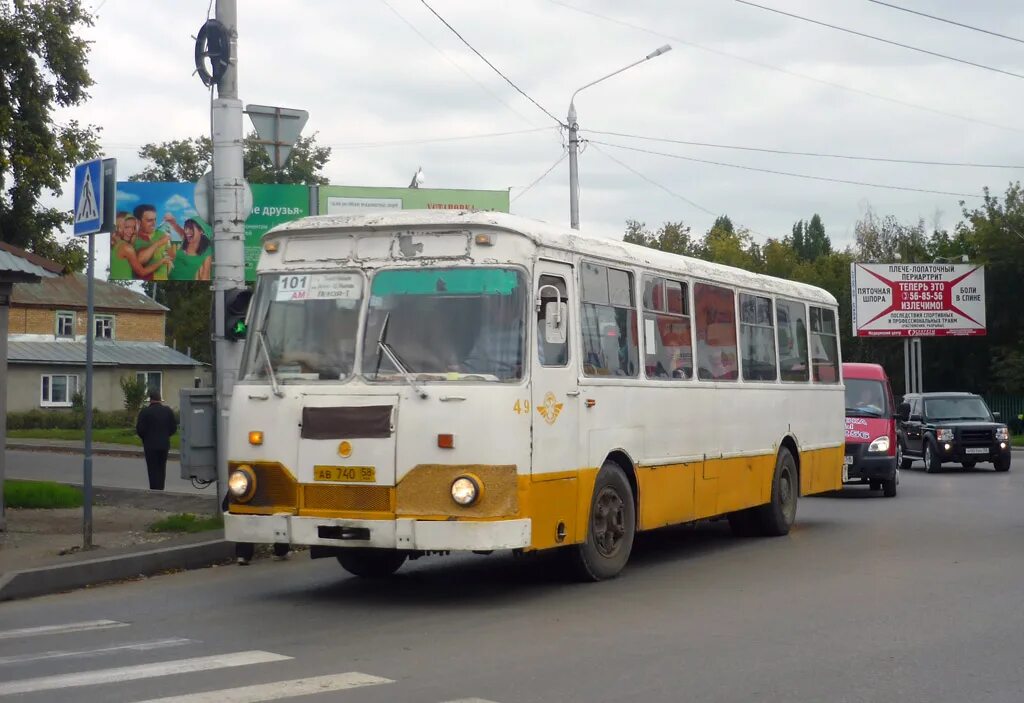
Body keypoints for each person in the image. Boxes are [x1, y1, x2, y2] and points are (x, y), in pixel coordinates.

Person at [135, 388, 178, 490]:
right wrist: (166, 435)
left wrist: (145, 438)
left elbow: (140, 429)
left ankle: (154, 490)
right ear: (160, 399)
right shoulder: (167, 411)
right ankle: (161, 489)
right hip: (164, 444)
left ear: (150, 399)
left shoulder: (145, 412)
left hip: (150, 445)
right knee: (161, 468)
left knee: (152, 469)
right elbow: (173, 428)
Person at [110, 214, 170, 280]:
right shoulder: (126, 248)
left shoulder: (114, 243)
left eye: (133, 228)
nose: (131, 231)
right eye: (127, 227)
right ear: (118, 227)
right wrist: (162, 261)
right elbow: (142, 272)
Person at [133, 204, 170, 281]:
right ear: (138, 222)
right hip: (144, 281)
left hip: (163, 280)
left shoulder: (161, 234)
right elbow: (140, 260)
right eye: (149, 220)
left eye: (155, 219)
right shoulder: (134, 238)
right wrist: (158, 243)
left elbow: (171, 255)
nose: (154, 223)